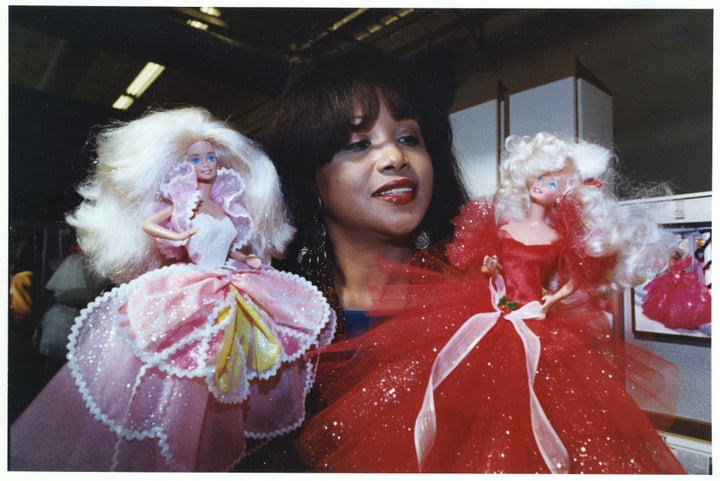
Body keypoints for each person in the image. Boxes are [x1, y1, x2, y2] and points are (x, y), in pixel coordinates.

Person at [294, 132, 686, 474]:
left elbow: (567, 280)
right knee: (457, 397)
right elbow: (493, 264)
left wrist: (554, 298)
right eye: (540, 178)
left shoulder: (554, 241)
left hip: (533, 319)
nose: (542, 186)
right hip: (491, 314)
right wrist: (491, 268)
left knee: (539, 411)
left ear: (564, 195)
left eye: (552, 183)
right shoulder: (505, 226)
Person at [9, 106, 336, 471]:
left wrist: (251, 260)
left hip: (235, 284)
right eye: (196, 158)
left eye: (210, 156)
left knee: (244, 365)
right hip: (193, 289)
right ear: (185, 165)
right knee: (187, 375)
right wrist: (178, 235)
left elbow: (233, 244)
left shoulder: (227, 203)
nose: (206, 163)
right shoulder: (182, 201)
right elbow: (150, 223)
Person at [262, 50, 468, 341]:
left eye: (409, 138)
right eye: (359, 145)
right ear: (309, 178)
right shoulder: (271, 313)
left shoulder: (485, 290)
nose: (395, 158)